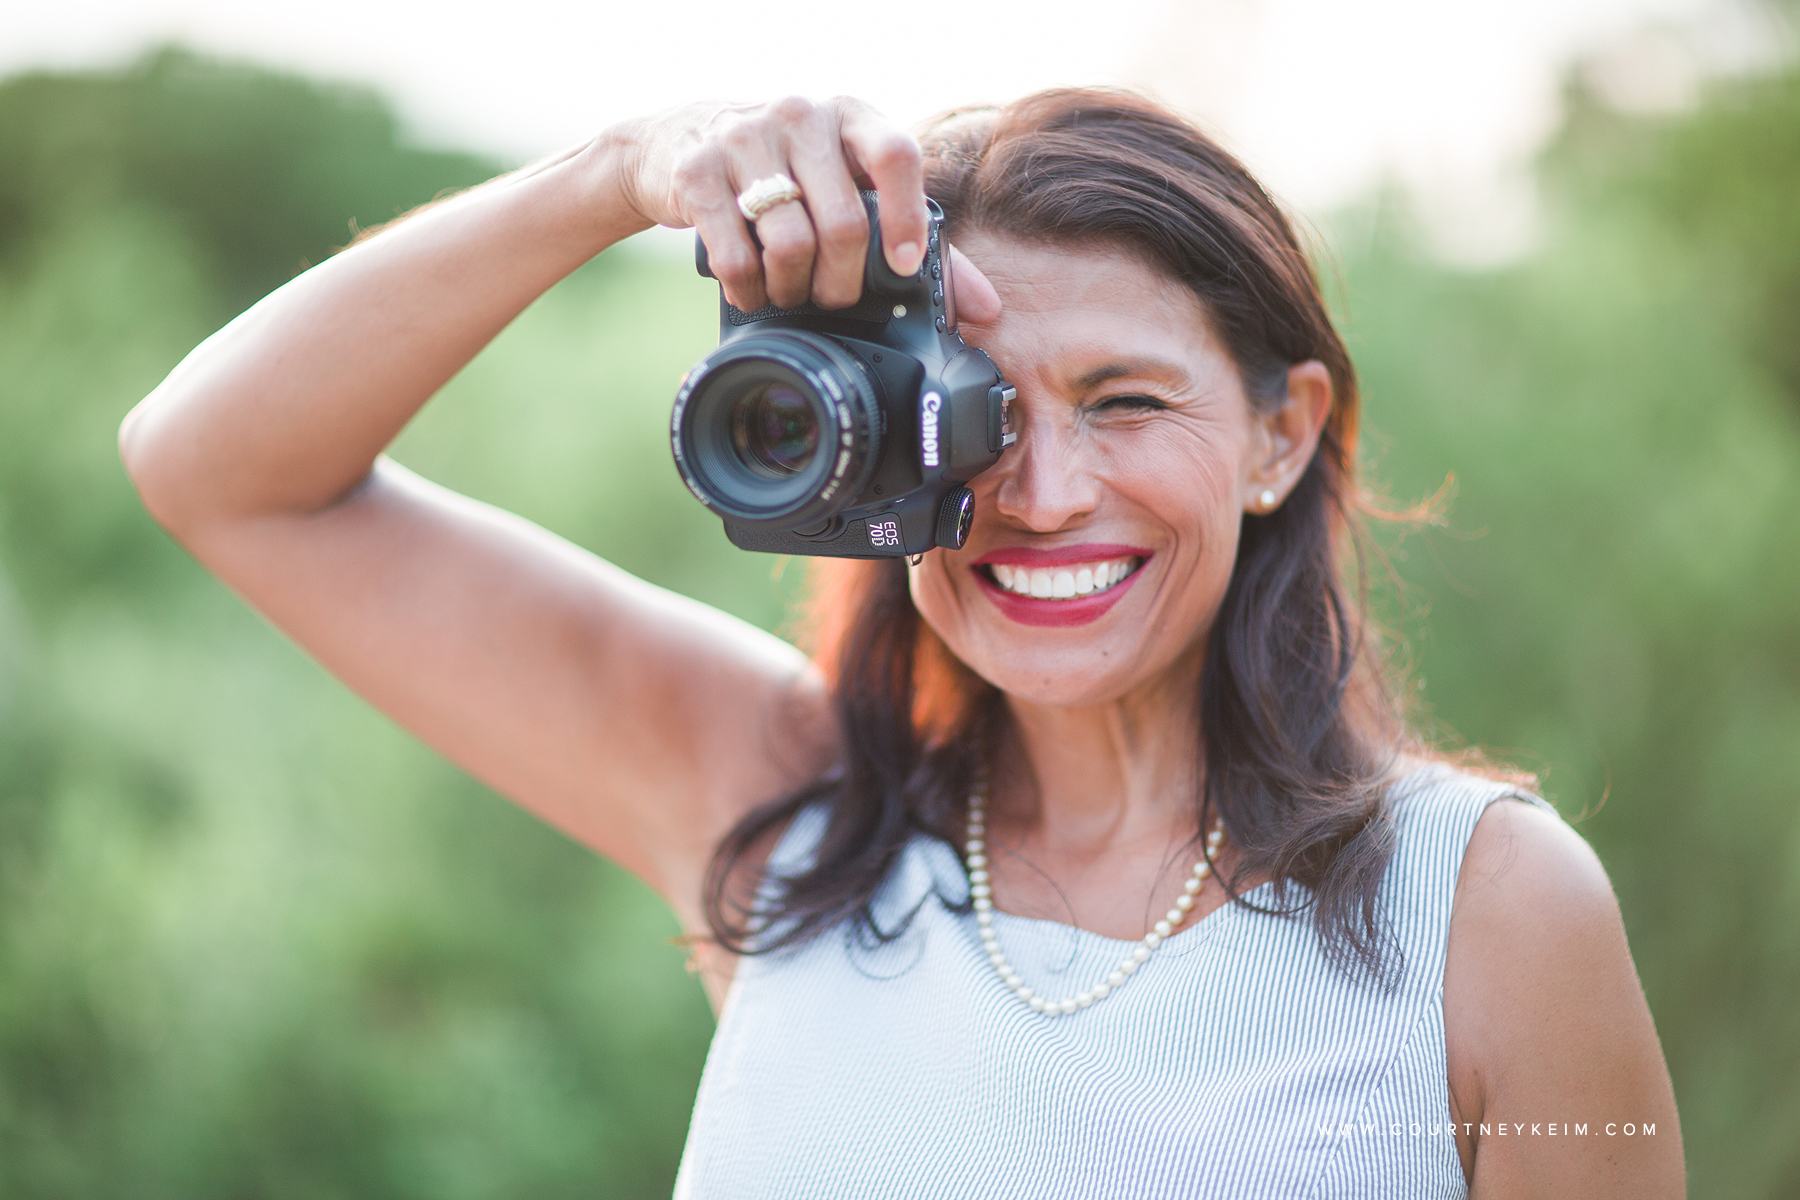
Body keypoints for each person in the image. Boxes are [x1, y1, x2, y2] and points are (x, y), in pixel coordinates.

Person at [119, 88, 1683, 1197]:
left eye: (1127, 402)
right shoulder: (783, 802)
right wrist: (616, 171)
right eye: (979, 414)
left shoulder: (1484, 904)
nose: (1046, 495)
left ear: (1284, 432)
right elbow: (217, 468)